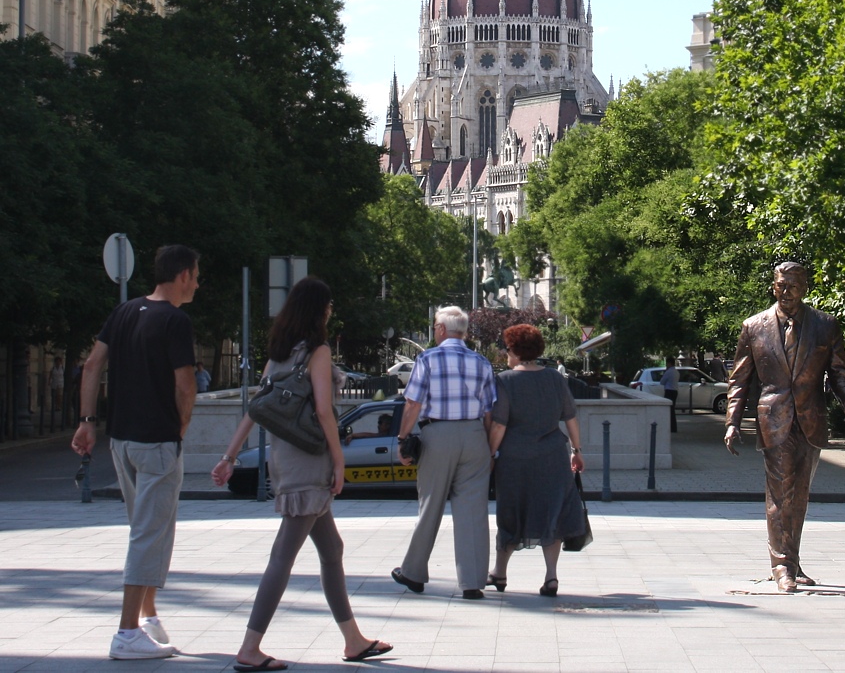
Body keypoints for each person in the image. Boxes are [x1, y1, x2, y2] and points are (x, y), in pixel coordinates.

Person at [211, 277, 391, 669]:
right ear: (319, 310)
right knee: (283, 556)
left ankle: (353, 640)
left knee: (332, 549)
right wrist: (339, 461)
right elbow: (325, 411)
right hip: (311, 460)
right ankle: (249, 648)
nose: (331, 312)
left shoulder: (279, 354)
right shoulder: (317, 352)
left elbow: (256, 408)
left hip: (285, 458)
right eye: (328, 306)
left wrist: (229, 456)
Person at [71, 245, 201, 660]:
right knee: (150, 532)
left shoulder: (124, 312)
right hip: (157, 440)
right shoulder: (176, 321)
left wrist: (87, 421)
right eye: (196, 276)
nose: (197, 283)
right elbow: (186, 384)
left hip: (122, 440)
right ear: (182, 275)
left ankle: (147, 617)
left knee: (145, 527)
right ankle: (127, 632)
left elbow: (92, 366)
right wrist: (181, 424)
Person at [725, 261, 845, 592]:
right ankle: (781, 565)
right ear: (773, 286)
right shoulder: (754, 326)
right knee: (779, 494)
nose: (786, 292)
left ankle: (792, 562)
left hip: (811, 418)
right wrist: (732, 421)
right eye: (781, 285)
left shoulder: (825, 326)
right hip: (774, 419)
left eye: (793, 286)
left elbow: (838, 371)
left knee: (799, 495)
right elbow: (739, 380)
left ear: (805, 288)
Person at [392, 305, 497, 600]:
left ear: (441, 329)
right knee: (473, 511)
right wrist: (489, 449)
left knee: (430, 505)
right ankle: (473, 582)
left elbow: (413, 404)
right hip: (475, 434)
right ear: (462, 332)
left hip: (437, 434)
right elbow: (489, 411)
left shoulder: (428, 358)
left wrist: (403, 438)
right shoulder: (482, 362)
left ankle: (413, 572)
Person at [487, 324, 586, 597]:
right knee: (551, 512)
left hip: (515, 459)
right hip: (552, 457)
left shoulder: (505, 381)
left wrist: (490, 454)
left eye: (507, 349)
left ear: (515, 351)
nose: (506, 354)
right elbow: (570, 417)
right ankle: (551, 577)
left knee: (510, 512)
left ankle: (500, 572)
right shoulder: (555, 378)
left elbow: (498, 425)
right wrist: (577, 450)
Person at [660, 356, 680, 434]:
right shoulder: (676, 372)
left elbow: (662, 382)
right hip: (675, 391)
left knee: (669, 410)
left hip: (669, 391)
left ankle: (671, 427)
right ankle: (673, 427)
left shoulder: (668, 372)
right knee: (672, 410)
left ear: (669, 363)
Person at [50, 356, 65, 422]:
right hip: (54, 384)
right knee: (55, 396)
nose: (58, 363)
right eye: (57, 361)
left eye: (59, 361)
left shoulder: (62, 368)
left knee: (60, 395)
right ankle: (56, 406)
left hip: (61, 383)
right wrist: (49, 381)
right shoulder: (53, 368)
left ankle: (59, 406)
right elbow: (50, 375)